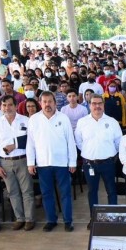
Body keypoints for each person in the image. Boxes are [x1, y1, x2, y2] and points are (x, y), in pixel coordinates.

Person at [26, 92, 77, 232]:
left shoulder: (63, 118)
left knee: (65, 193)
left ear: (55, 103)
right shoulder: (34, 120)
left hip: (61, 163)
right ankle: (51, 220)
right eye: (44, 102)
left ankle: (68, 221)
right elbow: (30, 143)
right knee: (46, 193)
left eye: (50, 101)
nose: (47, 104)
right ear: (40, 103)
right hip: (43, 163)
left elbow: (70, 142)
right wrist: (31, 162)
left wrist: (72, 162)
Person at [74, 94, 123, 224]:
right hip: (89, 164)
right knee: (92, 192)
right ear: (89, 105)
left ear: (103, 104)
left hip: (108, 163)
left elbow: (119, 142)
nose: (97, 106)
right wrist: (89, 152)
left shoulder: (112, 122)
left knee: (111, 191)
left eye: (100, 103)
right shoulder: (82, 122)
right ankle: (94, 218)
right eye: (94, 103)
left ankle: (113, 219)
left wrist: (110, 153)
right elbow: (79, 142)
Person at [0, 95, 36, 231]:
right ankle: (19, 218)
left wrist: (14, 145)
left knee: (27, 191)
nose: (7, 108)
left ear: (16, 106)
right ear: (0, 107)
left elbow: (31, 141)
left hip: (23, 160)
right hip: (5, 163)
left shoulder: (26, 121)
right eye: (4, 105)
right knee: (12, 192)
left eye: (10, 105)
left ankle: (29, 219)